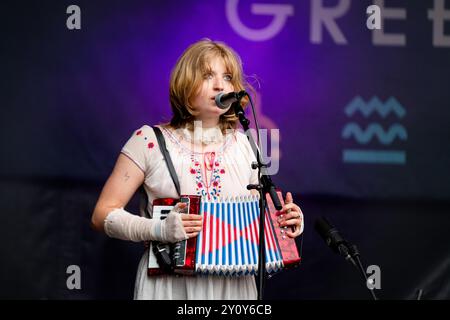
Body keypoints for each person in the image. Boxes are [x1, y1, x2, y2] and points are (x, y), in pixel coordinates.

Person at [90, 39, 304, 300]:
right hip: (170, 285)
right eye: (207, 76)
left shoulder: (245, 144)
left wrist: (286, 222)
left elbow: (258, 218)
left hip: (233, 289)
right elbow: (102, 215)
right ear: (185, 83)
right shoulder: (148, 141)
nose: (220, 85)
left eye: (227, 77)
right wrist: (158, 230)